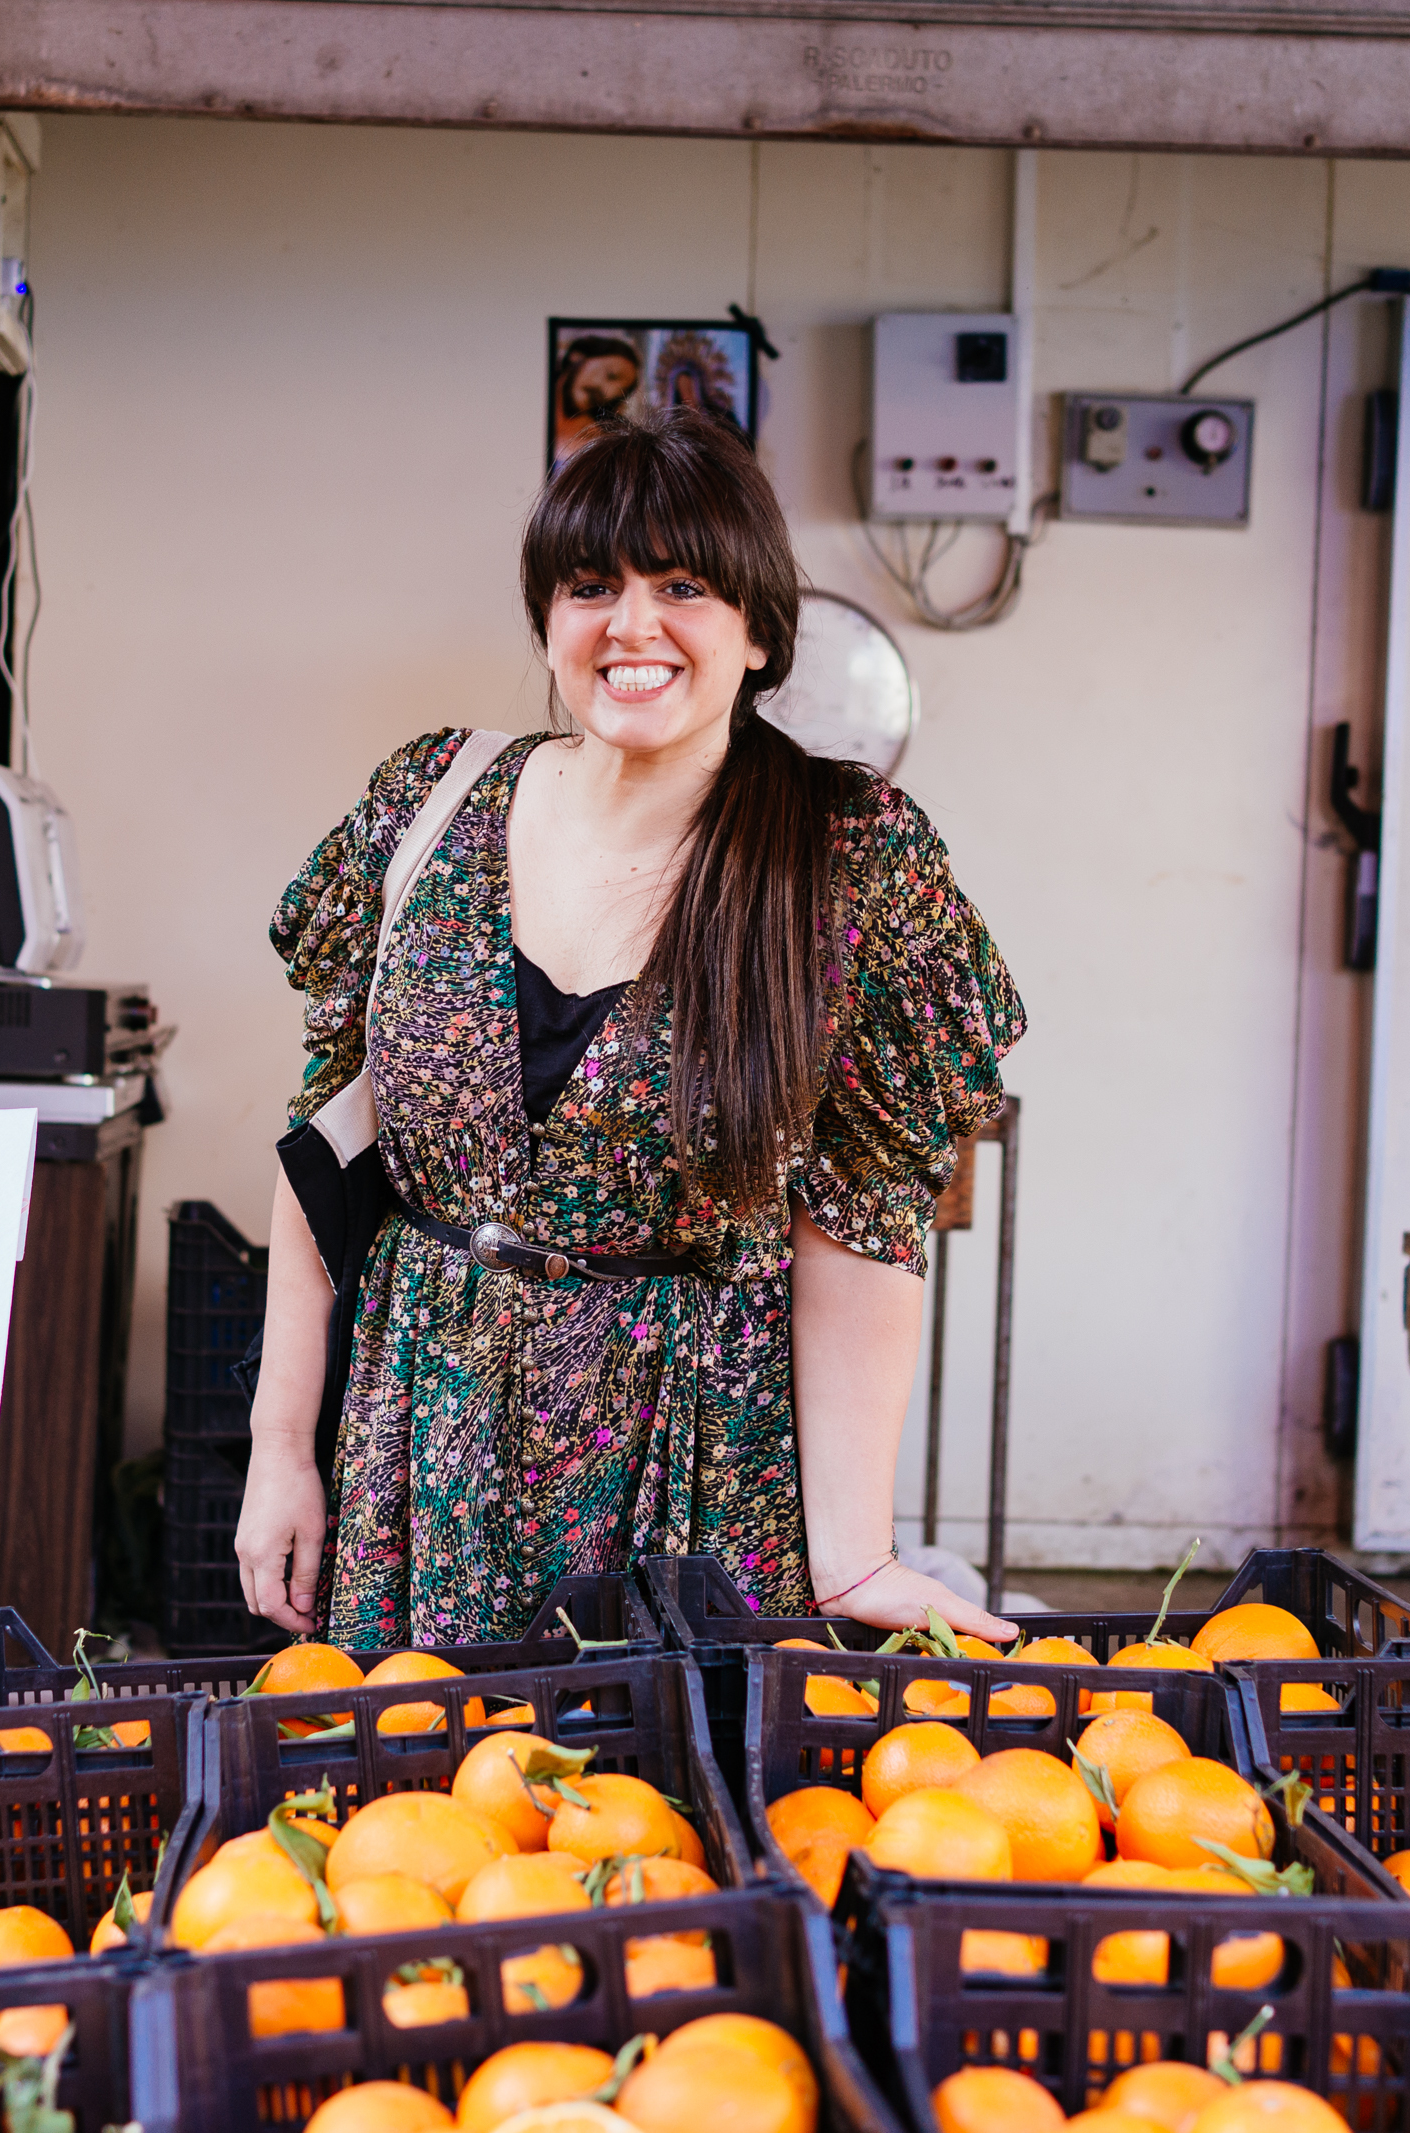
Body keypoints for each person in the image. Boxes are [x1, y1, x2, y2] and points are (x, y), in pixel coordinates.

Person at [235, 407, 1025, 1647]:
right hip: (423, 1432)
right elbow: (328, 1142)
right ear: (548, 623)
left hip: (697, 1454)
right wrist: (282, 1450)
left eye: (684, 586)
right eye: (590, 585)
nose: (632, 626)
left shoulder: (846, 855)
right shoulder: (428, 804)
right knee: (432, 1816)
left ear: (759, 633)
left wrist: (853, 1552)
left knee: (659, 1823)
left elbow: (866, 1214)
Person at [550, 334, 643, 466]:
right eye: (611, 375)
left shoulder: (598, 441)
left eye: (619, 393)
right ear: (578, 356)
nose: (607, 393)